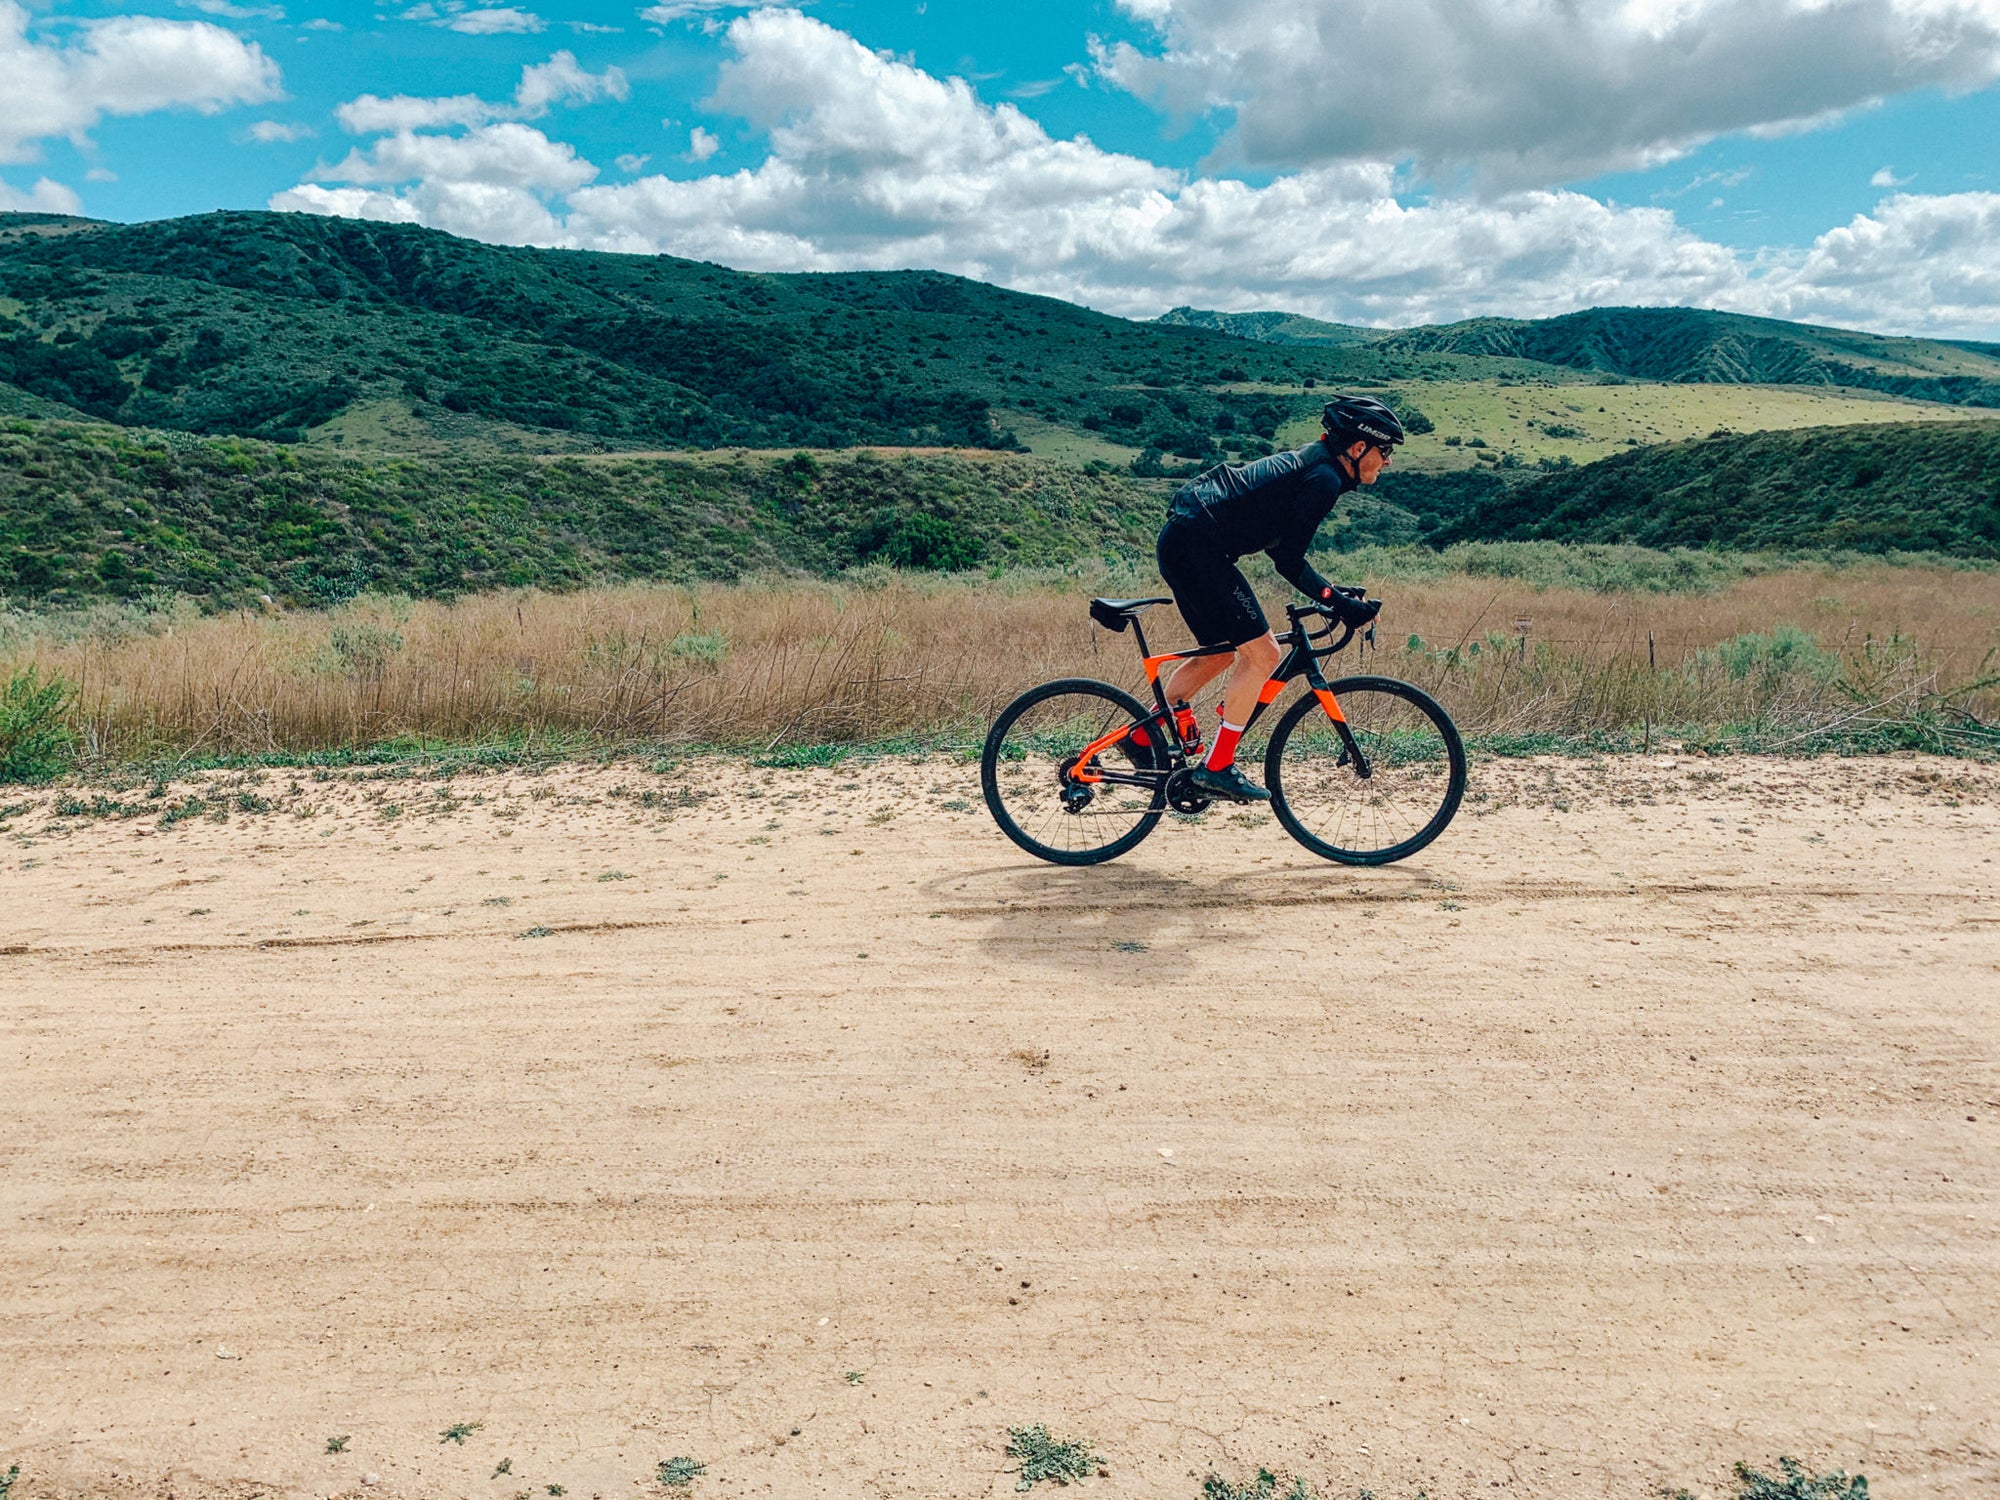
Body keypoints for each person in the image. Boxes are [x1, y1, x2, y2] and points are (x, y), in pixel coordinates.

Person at [1153, 394, 1405, 803]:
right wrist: (1342, 604)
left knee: (1220, 654)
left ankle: (1148, 737)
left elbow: (1284, 551)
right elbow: (1287, 561)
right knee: (1264, 655)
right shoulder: (1323, 478)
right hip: (1198, 547)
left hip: (1186, 539)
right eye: (1385, 450)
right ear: (1358, 448)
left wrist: (1334, 594)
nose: (1388, 460)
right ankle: (1217, 768)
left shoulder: (1321, 465)